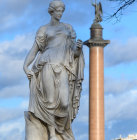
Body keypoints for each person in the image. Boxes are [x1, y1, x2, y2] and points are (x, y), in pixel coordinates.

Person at [23, 0, 84, 140]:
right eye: (58, 11)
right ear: (52, 11)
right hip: (47, 65)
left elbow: (73, 53)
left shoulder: (68, 28)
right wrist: (25, 66)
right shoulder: (43, 29)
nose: (60, 13)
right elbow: (34, 50)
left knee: (64, 102)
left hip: (62, 67)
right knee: (49, 101)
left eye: (62, 11)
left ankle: (60, 129)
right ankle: (51, 133)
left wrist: (79, 48)